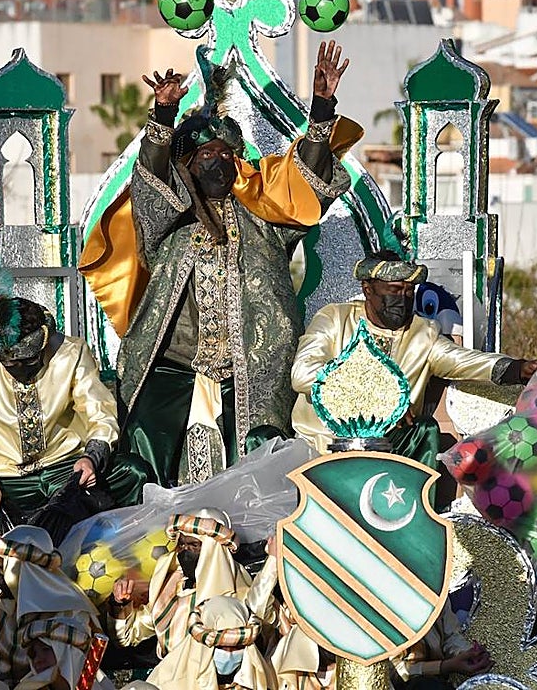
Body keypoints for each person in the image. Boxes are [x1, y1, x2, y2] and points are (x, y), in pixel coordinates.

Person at [81, 42, 362, 486]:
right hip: (173, 367)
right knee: (141, 445)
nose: (217, 162)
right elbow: (152, 181)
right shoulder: (167, 221)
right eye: (205, 155)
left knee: (259, 452)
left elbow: (303, 188)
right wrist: (162, 118)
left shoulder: (264, 217)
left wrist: (323, 108)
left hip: (250, 370)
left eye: (225, 154)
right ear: (188, 167)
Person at [290, 251, 537, 503]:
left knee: (425, 430)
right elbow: (302, 375)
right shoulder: (335, 319)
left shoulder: (422, 333)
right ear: (368, 290)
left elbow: (462, 361)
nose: (402, 300)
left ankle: (417, 517)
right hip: (323, 443)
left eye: (409, 292)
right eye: (394, 291)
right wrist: (382, 400)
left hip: (391, 445)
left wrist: (517, 368)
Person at [0, 297, 148, 557]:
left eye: (28, 361)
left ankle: (129, 563)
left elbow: (101, 415)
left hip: (67, 469)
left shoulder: (72, 353)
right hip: (6, 481)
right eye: (10, 364)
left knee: (134, 474)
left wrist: (91, 458)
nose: (19, 369)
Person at [0, 525, 114, 690]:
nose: (3, 570)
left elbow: (70, 674)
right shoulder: (0, 606)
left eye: (9, 562)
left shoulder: (70, 611)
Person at [107, 509, 256, 659]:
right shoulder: (170, 587)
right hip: (168, 675)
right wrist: (120, 605)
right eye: (182, 544)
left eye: (194, 545)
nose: (185, 551)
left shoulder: (238, 594)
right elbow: (126, 638)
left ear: (213, 549)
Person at [147, 596, 277, 690]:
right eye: (222, 647)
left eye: (237, 648)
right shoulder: (168, 681)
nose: (229, 654)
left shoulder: (263, 681)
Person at [390, 602, 491, 690]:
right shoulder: (383, 604)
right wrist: (444, 666)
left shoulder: (437, 588)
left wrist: (467, 654)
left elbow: (451, 635)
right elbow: (393, 673)